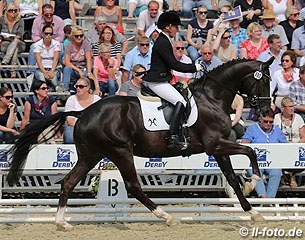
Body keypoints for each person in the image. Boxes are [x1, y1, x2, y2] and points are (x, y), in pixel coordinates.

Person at [142, 12, 202, 146]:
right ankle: (173, 136)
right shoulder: (163, 42)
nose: (177, 29)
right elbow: (174, 64)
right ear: (168, 27)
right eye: (175, 26)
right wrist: (194, 68)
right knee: (181, 101)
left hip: (161, 79)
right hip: (156, 81)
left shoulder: (165, 40)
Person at [242, 108, 287, 199]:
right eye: (266, 121)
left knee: (276, 173)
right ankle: (264, 197)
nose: (268, 124)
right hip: (256, 161)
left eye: (271, 122)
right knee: (255, 172)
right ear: (260, 119)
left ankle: (270, 200)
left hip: (273, 161)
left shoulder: (277, 130)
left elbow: (284, 145)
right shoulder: (252, 129)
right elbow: (244, 143)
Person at [274, 96, 305, 188]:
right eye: (290, 107)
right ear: (283, 108)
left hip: (296, 146)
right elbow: (273, 135)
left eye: (293, 106)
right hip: (281, 147)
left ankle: (291, 176)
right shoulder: (276, 118)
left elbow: (303, 137)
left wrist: (297, 145)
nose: (292, 109)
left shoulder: (298, 118)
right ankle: (287, 176)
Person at [64, 78, 100, 144]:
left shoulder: (97, 99)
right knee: (69, 136)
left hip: (93, 127)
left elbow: (100, 118)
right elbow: (69, 120)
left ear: (88, 87)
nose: (78, 88)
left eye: (81, 86)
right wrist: (82, 128)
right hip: (75, 127)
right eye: (76, 86)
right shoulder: (71, 99)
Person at [62, 26, 93, 92]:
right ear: (73, 36)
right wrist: (78, 70)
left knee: (88, 73)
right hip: (73, 68)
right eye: (77, 36)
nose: (79, 37)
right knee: (67, 68)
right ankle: (65, 89)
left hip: (84, 67)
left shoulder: (86, 44)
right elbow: (67, 62)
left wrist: (89, 72)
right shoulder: (69, 46)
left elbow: (88, 59)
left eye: (81, 35)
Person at [0, 3, 26, 78]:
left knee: (16, 41)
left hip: (19, 43)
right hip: (5, 44)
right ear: (7, 11)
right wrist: (3, 36)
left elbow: (20, 34)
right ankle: (13, 71)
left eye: (15, 10)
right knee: (15, 49)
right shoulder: (1, 20)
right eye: (11, 10)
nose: (13, 12)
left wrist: (12, 38)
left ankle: (5, 61)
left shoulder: (20, 21)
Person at [33, 25, 61, 91]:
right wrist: (44, 72)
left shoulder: (56, 43)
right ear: (42, 34)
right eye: (46, 34)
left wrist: (52, 70)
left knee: (54, 79)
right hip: (40, 69)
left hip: (53, 68)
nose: (48, 35)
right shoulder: (37, 44)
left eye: (50, 34)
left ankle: (57, 93)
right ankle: (48, 90)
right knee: (42, 78)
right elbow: (38, 61)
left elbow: (56, 59)